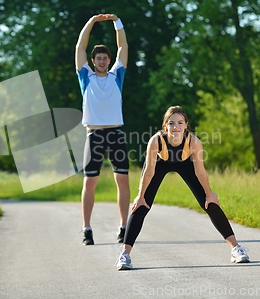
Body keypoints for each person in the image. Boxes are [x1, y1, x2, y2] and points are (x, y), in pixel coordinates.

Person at [116, 105, 250, 270]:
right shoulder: (156, 141)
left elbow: (200, 172)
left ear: (186, 125)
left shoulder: (193, 141)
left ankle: (236, 249)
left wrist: (209, 194)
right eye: (171, 123)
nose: (176, 127)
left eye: (180, 123)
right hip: (160, 164)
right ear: (165, 126)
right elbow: (149, 172)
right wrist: (140, 195)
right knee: (141, 206)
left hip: (185, 164)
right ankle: (125, 255)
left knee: (210, 203)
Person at [75, 14, 130, 245]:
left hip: (115, 134)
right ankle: (87, 229)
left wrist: (117, 22)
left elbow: (123, 46)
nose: (101, 61)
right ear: (93, 60)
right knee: (89, 182)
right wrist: (92, 22)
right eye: (98, 58)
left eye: (105, 58)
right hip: (94, 135)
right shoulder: (85, 76)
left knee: (123, 180)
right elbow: (80, 46)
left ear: (109, 60)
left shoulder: (117, 75)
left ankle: (124, 227)